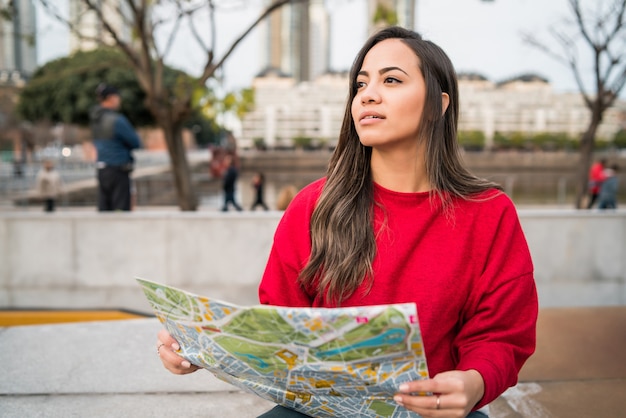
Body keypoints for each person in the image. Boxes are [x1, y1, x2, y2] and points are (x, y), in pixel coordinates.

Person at [156, 26, 538, 418]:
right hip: (320, 411)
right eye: (360, 84)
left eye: (391, 80)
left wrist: (473, 381)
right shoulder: (312, 206)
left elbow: (501, 335)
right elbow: (280, 328)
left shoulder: (489, 212)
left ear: (438, 105)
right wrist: (204, 348)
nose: (368, 94)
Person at [90, 83, 141, 211]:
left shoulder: (95, 120)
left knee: (105, 210)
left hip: (102, 169)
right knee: (121, 211)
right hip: (118, 169)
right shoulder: (116, 120)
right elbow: (136, 142)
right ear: (112, 98)